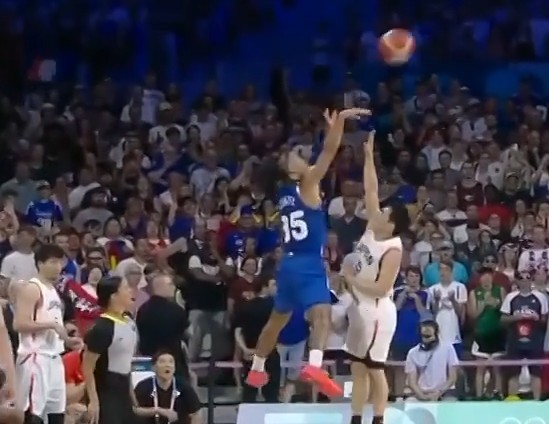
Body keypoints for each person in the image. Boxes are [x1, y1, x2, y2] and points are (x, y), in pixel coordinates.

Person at [245, 107, 369, 397]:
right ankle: (314, 366)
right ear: (292, 171)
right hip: (308, 262)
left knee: (277, 320)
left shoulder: (282, 194)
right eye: (296, 157)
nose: (302, 158)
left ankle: (257, 368)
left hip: (286, 265)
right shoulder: (308, 183)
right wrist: (338, 124)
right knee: (322, 315)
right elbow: (329, 151)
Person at [341, 131, 410, 424]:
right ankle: (356, 418)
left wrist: (351, 279)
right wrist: (368, 157)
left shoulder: (393, 249)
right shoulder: (372, 225)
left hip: (379, 310)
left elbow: (382, 288)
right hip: (359, 306)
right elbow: (371, 189)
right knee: (357, 367)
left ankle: (379, 419)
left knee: (374, 368)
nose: (379, 210)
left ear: (391, 224)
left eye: (385, 211)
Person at [13, 244, 81, 424]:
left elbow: (54, 325)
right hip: (35, 358)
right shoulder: (32, 288)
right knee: (33, 414)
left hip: (54, 356)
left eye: (60, 262)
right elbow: (19, 324)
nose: (58, 266)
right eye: (53, 262)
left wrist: (67, 340)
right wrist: (50, 325)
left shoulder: (53, 290)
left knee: (56, 414)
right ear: (40, 264)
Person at [82, 276, 138, 424]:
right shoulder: (103, 328)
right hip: (106, 391)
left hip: (124, 390)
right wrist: (93, 401)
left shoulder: (129, 322)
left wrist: (132, 396)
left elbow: (126, 362)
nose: (130, 291)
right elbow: (87, 367)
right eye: (125, 288)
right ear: (114, 296)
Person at [133, 350, 201, 424]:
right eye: (162, 362)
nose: (167, 365)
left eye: (171, 362)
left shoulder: (184, 387)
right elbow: (135, 409)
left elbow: (195, 413)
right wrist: (157, 410)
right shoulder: (143, 386)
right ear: (154, 367)